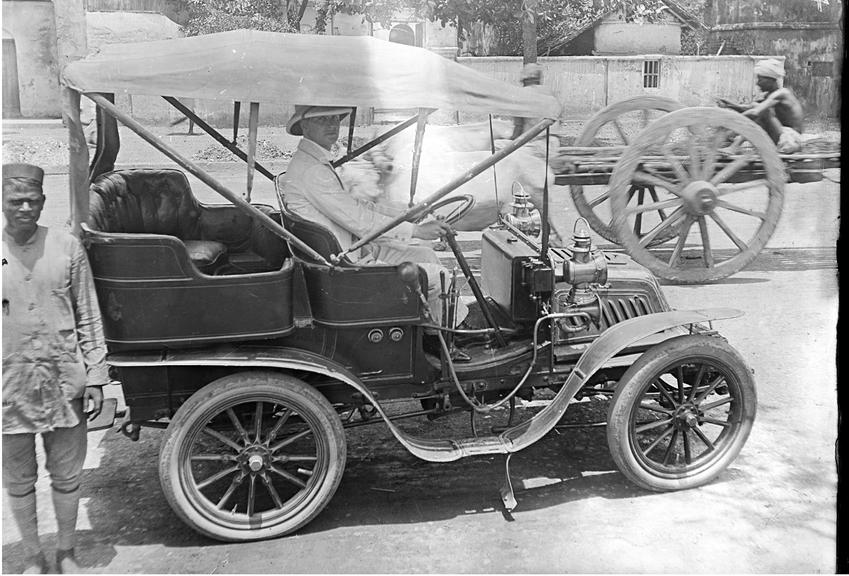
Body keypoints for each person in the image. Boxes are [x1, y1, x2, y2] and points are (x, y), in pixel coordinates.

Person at [2, 163, 109, 574]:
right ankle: (32, 557)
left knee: (66, 477)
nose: (24, 207)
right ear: (3, 202)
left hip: (65, 381)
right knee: (19, 480)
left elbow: (89, 316)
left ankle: (66, 553)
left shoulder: (67, 248)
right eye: (15, 201)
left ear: (44, 202)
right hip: (9, 386)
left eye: (32, 200)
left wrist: (97, 376)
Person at [279, 105, 468, 330]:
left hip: (349, 252)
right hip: (347, 269)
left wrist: (404, 214)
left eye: (335, 118)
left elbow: (355, 206)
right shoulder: (312, 171)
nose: (332, 125)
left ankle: (431, 330)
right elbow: (358, 219)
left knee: (425, 253)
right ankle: (441, 338)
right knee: (441, 277)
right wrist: (416, 230)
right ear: (304, 125)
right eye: (322, 119)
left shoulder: (313, 162)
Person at [716, 58, 804, 153]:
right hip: (782, 135)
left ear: (771, 80)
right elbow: (750, 108)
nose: (757, 83)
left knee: (763, 112)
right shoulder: (770, 96)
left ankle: (735, 146)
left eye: (760, 79)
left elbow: (755, 112)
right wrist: (729, 105)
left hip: (791, 140)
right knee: (756, 107)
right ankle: (733, 142)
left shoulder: (782, 93)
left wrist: (731, 124)